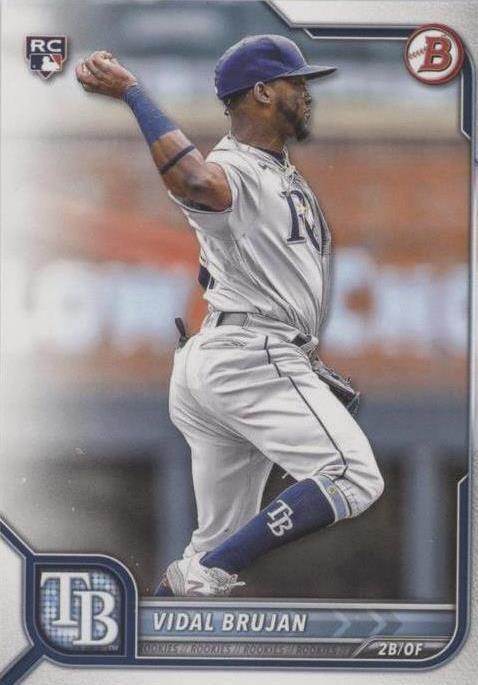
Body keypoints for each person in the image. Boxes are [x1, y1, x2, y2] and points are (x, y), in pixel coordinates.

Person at [76, 34, 384, 597]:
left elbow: (227, 266)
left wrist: (303, 362)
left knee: (211, 550)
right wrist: (133, 94)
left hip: (228, 354)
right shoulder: (233, 166)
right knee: (353, 476)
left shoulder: (276, 170)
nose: (307, 94)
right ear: (262, 92)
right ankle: (204, 571)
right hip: (250, 356)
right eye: (297, 83)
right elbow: (195, 180)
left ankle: (151, 622)